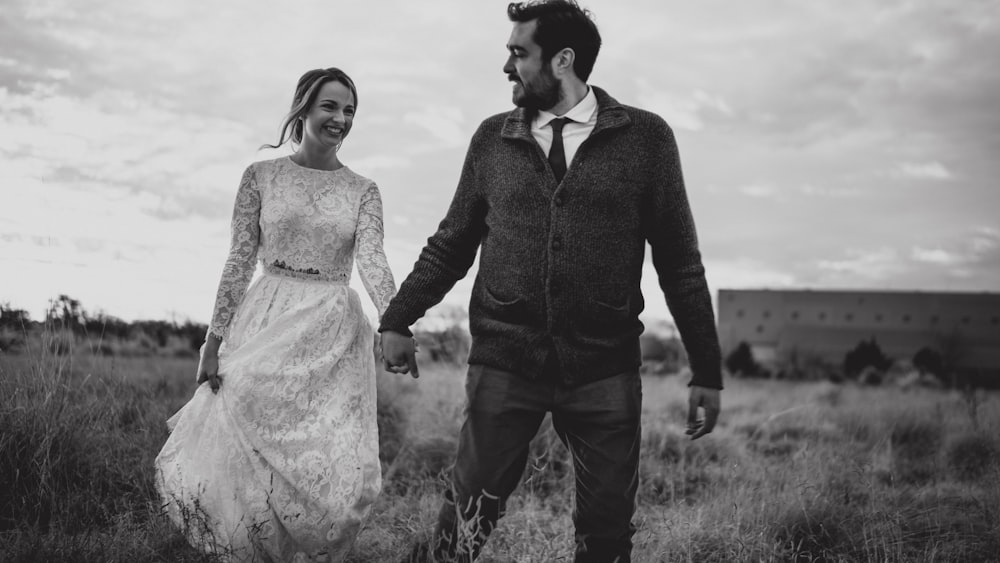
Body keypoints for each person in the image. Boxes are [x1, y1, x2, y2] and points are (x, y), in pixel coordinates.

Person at [380, 1, 723, 561]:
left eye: (519, 53)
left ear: (563, 60)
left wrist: (706, 366)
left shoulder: (646, 139)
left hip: (604, 366)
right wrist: (398, 316)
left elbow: (680, 262)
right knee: (464, 519)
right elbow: (451, 243)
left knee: (607, 532)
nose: (508, 67)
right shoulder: (492, 140)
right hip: (505, 360)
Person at [155, 67, 397, 562]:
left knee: (331, 460)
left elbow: (372, 262)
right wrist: (213, 341)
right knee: (252, 447)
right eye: (330, 106)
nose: (341, 118)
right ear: (304, 108)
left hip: (333, 331)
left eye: (349, 110)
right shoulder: (261, 176)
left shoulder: (364, 190)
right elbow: (240, 259)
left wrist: (395, 320)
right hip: (266, 320)